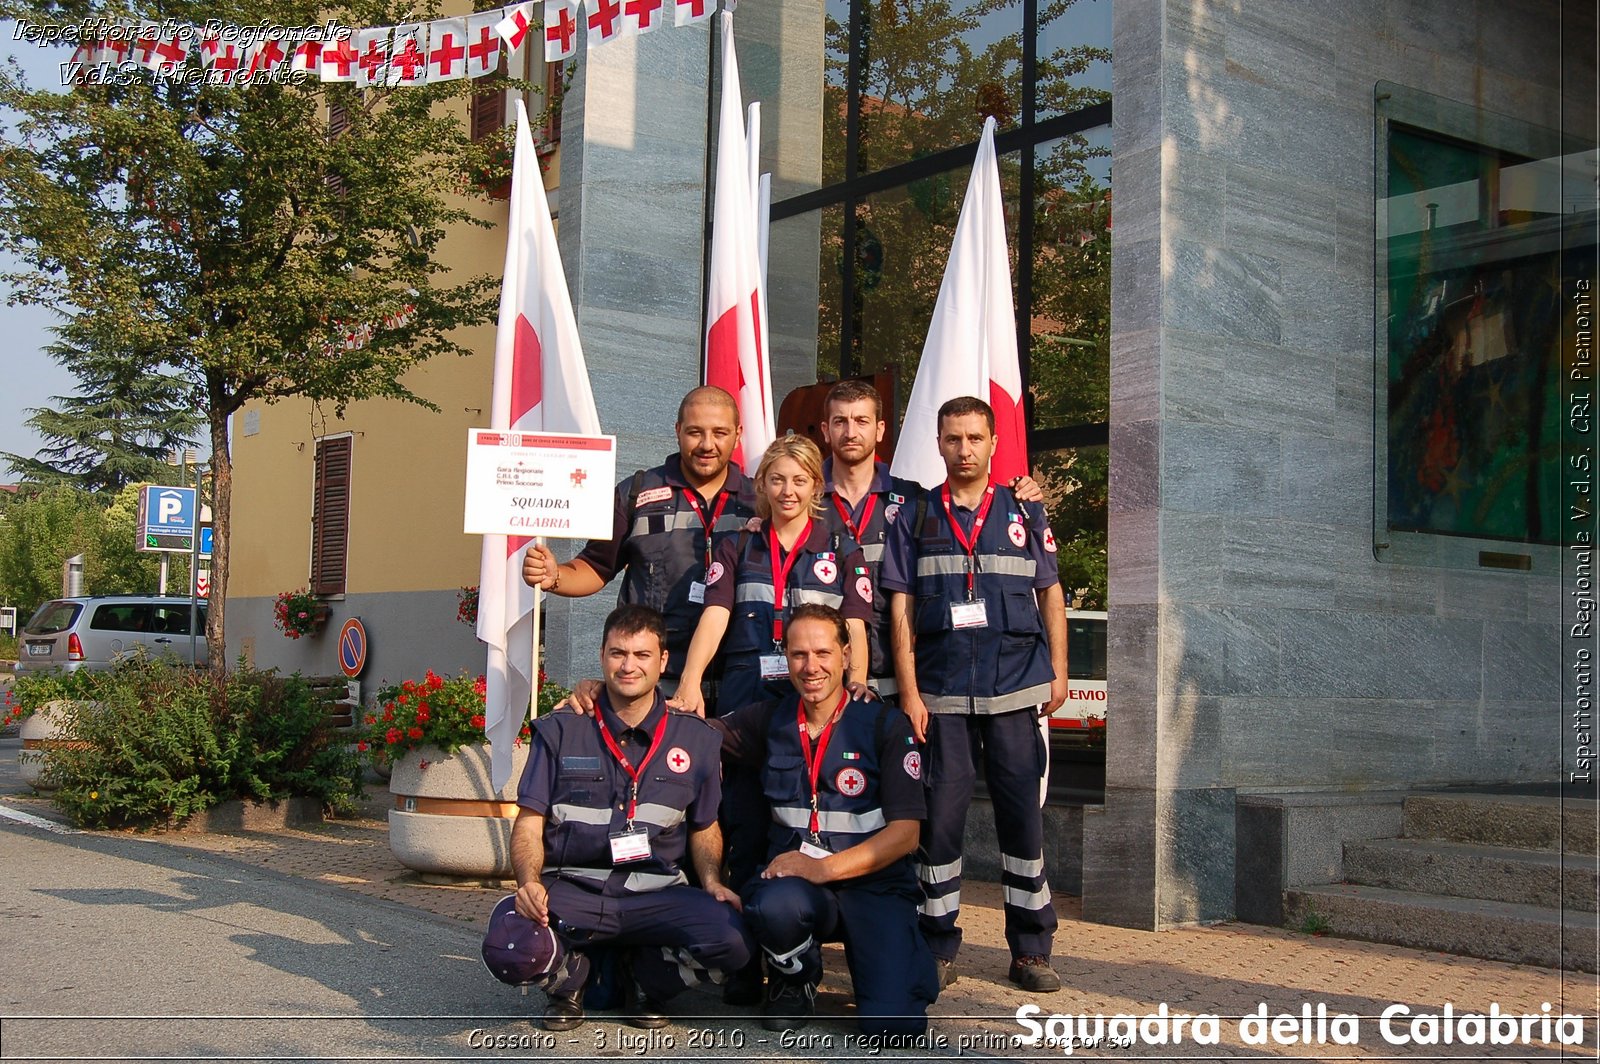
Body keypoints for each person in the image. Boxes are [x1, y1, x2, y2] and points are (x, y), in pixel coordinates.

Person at [880, 395, 1069, 994]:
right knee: (940, 823)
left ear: (992, 444)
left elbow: (1050, 592)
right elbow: (901, 606)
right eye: (953, 438)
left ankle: (1032, 949)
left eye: (974, 439)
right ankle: (936, 944)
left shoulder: (1024, 509)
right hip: (941, 697)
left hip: (1015, 686)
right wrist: (909, 691)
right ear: (938, 443)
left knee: (1022, 822)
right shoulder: (913, 514)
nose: (964, 450)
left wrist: (1059, 670)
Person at [489, 605, 752, 1030]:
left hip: (656, 893)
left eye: (642, 655)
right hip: (574, 888)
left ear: (663, 661)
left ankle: (650, 979)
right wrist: (529, 884)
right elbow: (530, 821)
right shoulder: (560, 728)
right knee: (507, 941)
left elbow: (705, 827)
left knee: (735, 941)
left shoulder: (697, 738)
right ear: (601, 656)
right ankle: (568, 980)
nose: (628, 666)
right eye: (618, 654)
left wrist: (713, 883)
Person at [714, 604, 937, 1035]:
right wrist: (601, 694)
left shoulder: (885, 725)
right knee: (773, 904)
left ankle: (903, 966)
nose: (810, 666)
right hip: (795, 887)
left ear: (846, 655)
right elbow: (684, 731)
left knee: (895, 1030)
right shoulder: (770, 718)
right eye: (798, 655)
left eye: (822, 653)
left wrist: (822, 869)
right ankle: (795, 978)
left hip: (873, 884)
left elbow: (907, 834)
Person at [521, 386, 757, 696]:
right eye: (695, 432)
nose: (707, 445)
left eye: (720, 433)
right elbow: (596, 565)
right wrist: (555, 577)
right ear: (677, 430)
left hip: (739, 684)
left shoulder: (760, 501)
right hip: (654, 685)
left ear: (738, 434)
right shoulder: (637, 493)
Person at [819, 379, 1045, 699]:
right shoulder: (803, 501)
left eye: (862, 421)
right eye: (840, 421)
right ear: (826, 430)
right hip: (822, 678)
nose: (851, 432)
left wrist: (1022, 491)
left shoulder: (915, 501)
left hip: (902, 680)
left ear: (880, 429)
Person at [672, 434, 873, 718]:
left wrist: (856, 683)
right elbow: (714, 616)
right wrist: (690, 681)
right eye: (777, 479)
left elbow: (854, 625)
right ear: (762, 484)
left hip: (814, 694)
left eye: (799, 481)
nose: (787, 491)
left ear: (816, 486)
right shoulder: (736, 546)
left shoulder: (843, 552)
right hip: (746, 691)